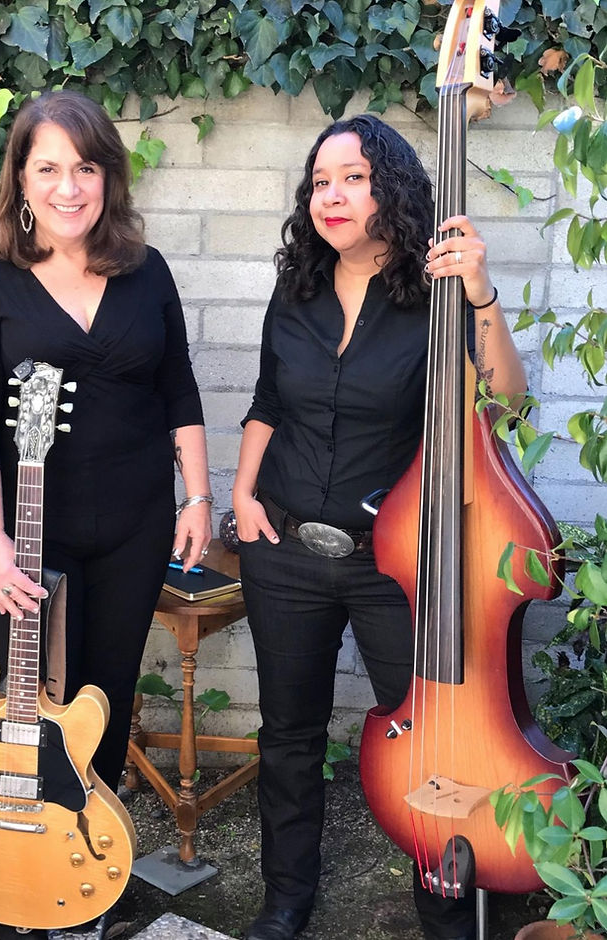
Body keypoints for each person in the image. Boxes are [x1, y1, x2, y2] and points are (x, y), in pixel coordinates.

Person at [232, 114, 527, 940]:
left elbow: (504, 403)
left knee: (431, 736)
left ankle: (443, 900)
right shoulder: (295, 287)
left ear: (389, 187)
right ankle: (286, 899)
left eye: (352, 178)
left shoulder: (435, 291)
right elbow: (266, 402)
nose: (331, 195)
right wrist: (244, 495)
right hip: (283, 549)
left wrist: (481, 293)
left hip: (396, 561)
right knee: (288, 735)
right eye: (320, 181)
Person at [0, 89, 212, 940]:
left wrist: (197, 495)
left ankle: (81, 868)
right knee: (38, 716)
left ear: (109, 178)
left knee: (104, 703)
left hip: (134, 529)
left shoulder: (147, 271)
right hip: (27, 540)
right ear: (20, 179)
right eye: (49, 167)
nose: (69, 186)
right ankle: (18, 883)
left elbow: (179, 388)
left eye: (85, 167)